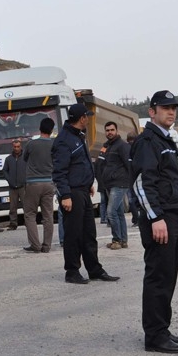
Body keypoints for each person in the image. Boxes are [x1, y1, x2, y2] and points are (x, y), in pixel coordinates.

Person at [130, 90, 178, 354]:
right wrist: (156, 217)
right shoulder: (148, 141)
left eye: (173, 108)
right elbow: (143, 182)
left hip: (170, 217)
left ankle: (161, 329)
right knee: (158, 276)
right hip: (160, 219)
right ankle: (154, 336)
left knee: (168, 276)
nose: (171, 112)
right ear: (152, 111)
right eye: (165, 108)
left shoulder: (165, 139)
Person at [52, 103, 119, 285]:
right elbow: (59, 171)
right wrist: (65, 195)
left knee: (89, 233)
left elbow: (80, 164)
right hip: (72, 194)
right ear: (82, 118)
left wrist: (88, 183)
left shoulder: (78, 136)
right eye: (87, 116)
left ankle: (94, 269)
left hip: (82, 190)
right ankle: (72, 271)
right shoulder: (64, 140)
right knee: (73, 235)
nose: (88, 119)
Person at [22, 118, 55, 253]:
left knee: (30, 214)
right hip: (49, 183)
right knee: (48, 215)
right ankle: (46, 246)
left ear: (40, 128)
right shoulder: (55, 144)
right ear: (52, 130)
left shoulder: (31, 144)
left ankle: (35, 245)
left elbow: (25, 158)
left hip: (33, 183)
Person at [98, 121, 131, 250]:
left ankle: (116, 239)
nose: (109, 132)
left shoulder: (122, 146)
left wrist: (128, 181)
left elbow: (129, 165)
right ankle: (123, 240)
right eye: (107, 130)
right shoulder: (106, 146)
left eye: (112, 130)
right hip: (109, 184)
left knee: (110, 212)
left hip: (119, 183)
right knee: (118, 213)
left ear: (116, 131)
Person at [3, 139, 26, 231]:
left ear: (21, 147)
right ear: (12, 147)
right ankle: (13, 223)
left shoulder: (25, 157)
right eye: (15, 147)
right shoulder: (8, 159)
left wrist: (26, 179)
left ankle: (28, 222)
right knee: (12, 206)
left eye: (18, 147)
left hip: (23, 186)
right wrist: (9, 180)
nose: (16, 148)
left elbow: (30, 168)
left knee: (26, 205)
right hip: (12, 186)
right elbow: (5, 170)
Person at [126, 131, 141, 228]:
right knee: (133, 200)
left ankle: (137, 219)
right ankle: (136, 219)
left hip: (131, 179)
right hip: (132, 178)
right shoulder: (135, 149)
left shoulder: (133, 150)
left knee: (132, 200)